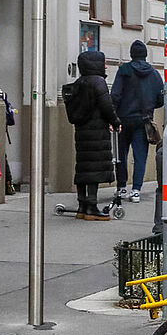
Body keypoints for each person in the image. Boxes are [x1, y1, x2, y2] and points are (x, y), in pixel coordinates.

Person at [65, 50, 121, 220]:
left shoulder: (79, 83)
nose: (106, 66)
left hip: (82, 131)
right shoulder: (98, 82)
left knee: (83, 167)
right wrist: (115, 121)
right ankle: (92, 206)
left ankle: (82, 206)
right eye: (104, 63)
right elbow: (106, 105)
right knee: (94, 168)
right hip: (97, 131)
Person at [109, 39, 164, 203]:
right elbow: (160, 99)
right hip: (143, 120)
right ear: (145, 55)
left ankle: (122, 187)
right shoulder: (154, 73)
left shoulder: (124, 70)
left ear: (131, 54)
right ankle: (136, 190)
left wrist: (112, 116)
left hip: (123, 119)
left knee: (121, 154)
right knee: (140, 156)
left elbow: (115, 95)